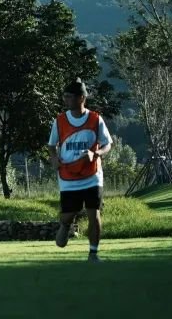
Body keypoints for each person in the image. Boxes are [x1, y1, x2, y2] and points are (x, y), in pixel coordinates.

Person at [47, 79, 112, 263]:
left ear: (81, 98)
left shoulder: (95, 119)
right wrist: (53, 158)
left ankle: (93, 253)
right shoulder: (59, 121)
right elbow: (51, 145)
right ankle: (65, 225)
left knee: (94, 213)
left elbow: (108, 144)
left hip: (92, 175)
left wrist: (96, 153)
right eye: (64, 96)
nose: (65, 100)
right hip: (68, 177)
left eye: (69, 96)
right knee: (68, 214)